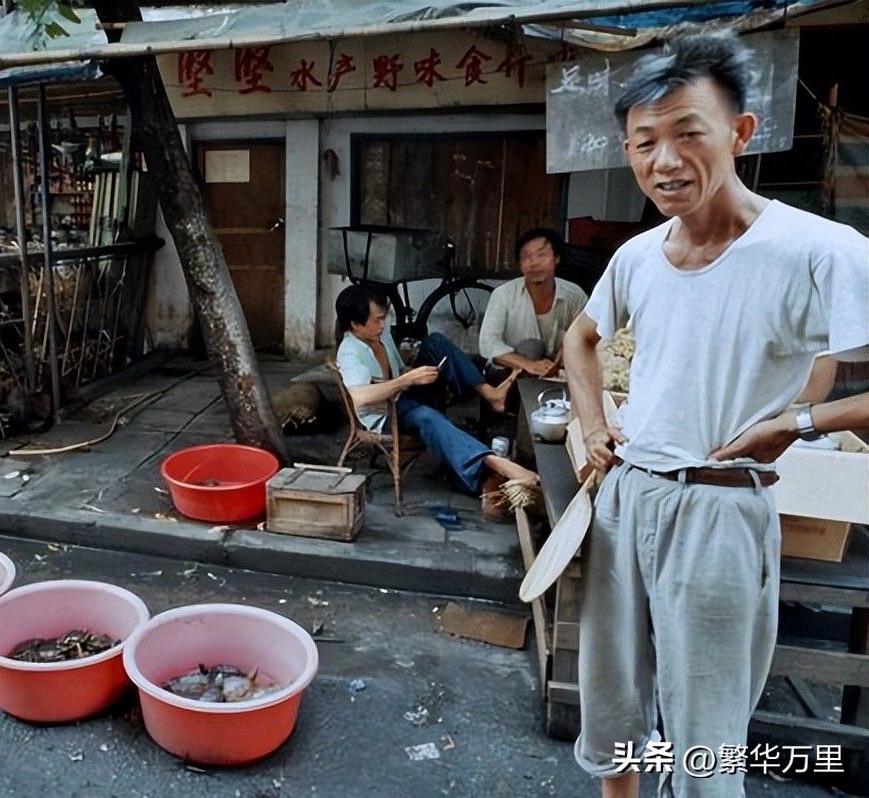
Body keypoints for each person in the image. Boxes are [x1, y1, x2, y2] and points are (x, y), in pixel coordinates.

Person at [561, 34, 868, 798]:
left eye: (687, 132)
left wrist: (796, 426)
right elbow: (580, 337)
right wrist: (594, 424)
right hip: (628, 498)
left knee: (705, 732)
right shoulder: (636, 256)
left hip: (723, 503)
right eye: (644, 141)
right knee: (610, 704)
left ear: (740, 133)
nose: (664, 160)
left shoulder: (819, 251)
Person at [334, 285, 537, 516]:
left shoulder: (381, 334)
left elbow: (399, 369)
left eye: (384, 319)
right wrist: (407, 380)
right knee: (427, 417)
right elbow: (360, 397)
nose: (383, 325)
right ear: (356, 324)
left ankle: (492, 395)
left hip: (403, 394)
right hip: (384, 413)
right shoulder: (350, 351)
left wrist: (416, 374)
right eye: (377, 320)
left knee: (436, 343)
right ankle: (497, 464)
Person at [478, 227, 588, 378]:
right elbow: (488, 344)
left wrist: (567, 351)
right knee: (531, 348)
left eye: (542, 255)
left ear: (557, 258)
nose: (534, 263)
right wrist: (528, 364)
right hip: (508, 373)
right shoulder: (503, 295)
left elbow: (587, 335)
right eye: (527, 257)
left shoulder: (574, 296)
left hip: (556, 372)